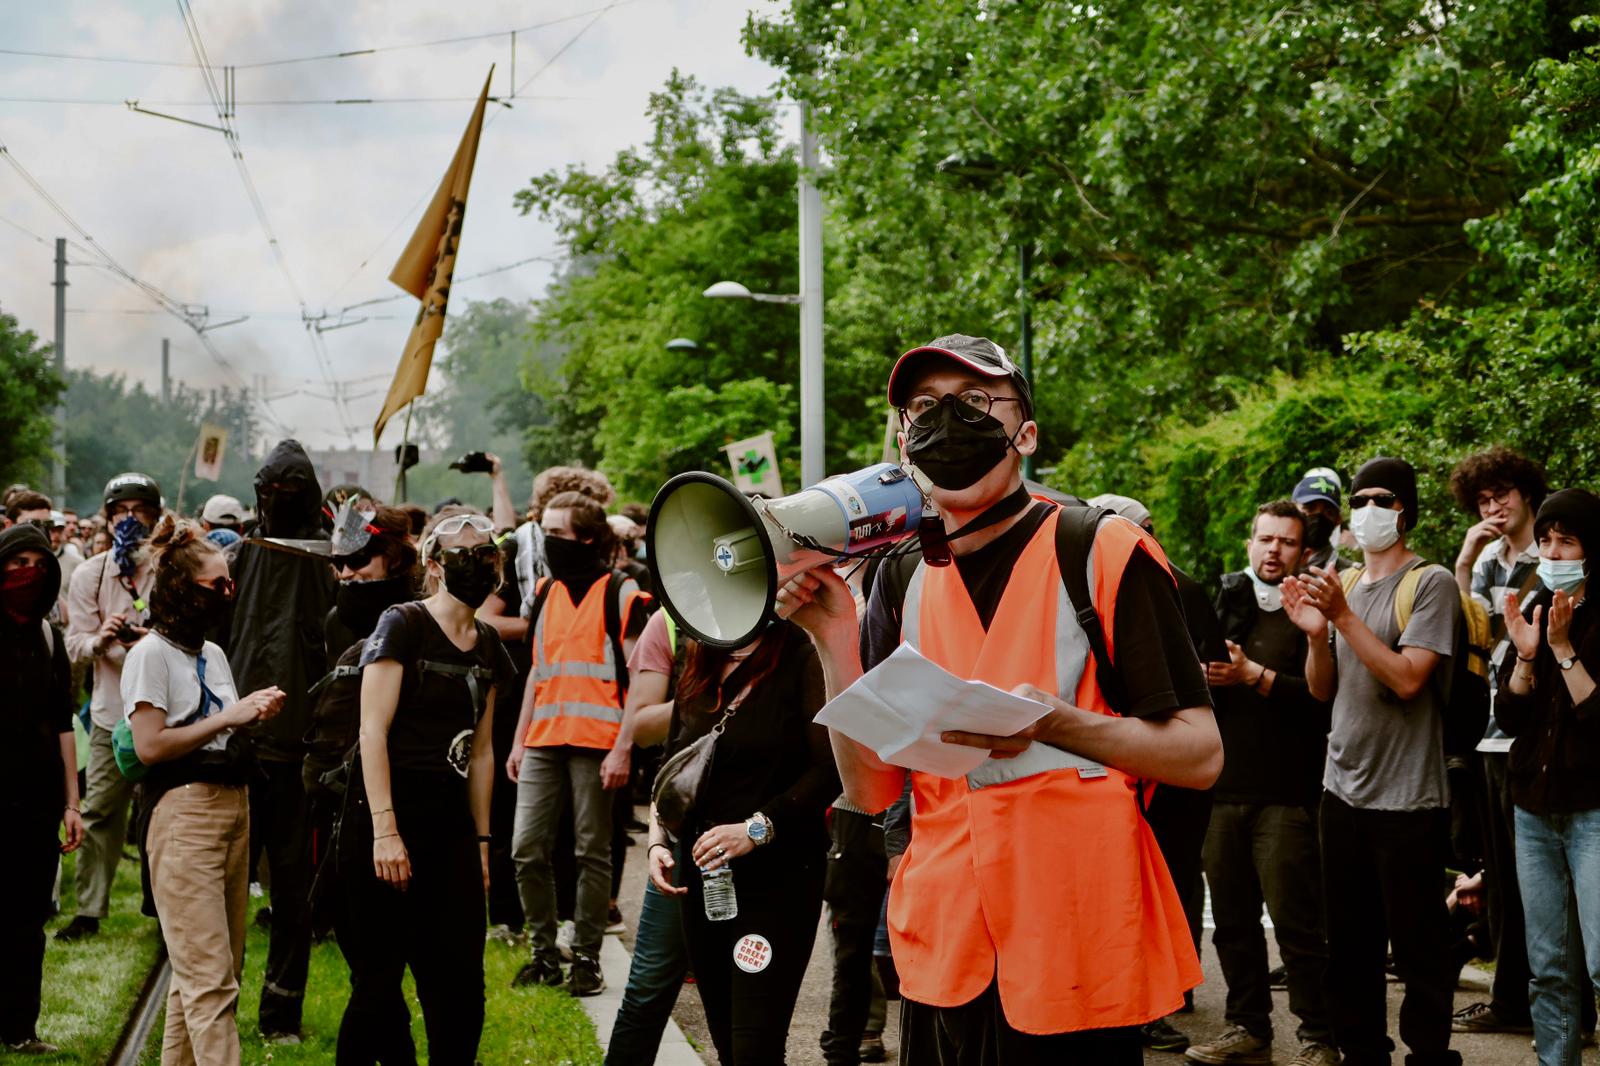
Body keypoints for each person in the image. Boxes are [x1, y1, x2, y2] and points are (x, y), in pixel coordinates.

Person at [783, 334, 1220, 1064]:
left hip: (1075, 946)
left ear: (1027, 432)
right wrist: (832, 635)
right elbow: (869, 788)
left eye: (977, 401)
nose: (946, 421)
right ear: (900, 438)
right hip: (946, 946)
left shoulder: (1101, 548)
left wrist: (1058, 723)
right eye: (923, 406)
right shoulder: (897, 575)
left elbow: (1200, 756)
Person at [1281, 456, 1463, 1066]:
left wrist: (1339, 618)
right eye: (1358, 499)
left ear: (1404, 510)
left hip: (1409, 799)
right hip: (1343, 793)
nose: (1365, 510)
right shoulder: (1349, 582)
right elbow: (1322, 691)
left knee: (1419, 951)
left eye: (1379, 498)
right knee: (1350, 949)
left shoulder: (1430, 582)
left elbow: (1409, 679)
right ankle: (1362, 1053)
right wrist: (1314, 635)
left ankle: (1429, 1057)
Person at [339, 510, 513, 1064]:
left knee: (461, 991)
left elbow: (481, 752)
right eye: (463, 556)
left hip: (450, 828)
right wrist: (385, 832)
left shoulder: (488, 646)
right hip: (387, 816)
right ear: (435, 566)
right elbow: (372, 731)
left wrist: (482, 843)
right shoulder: (402, 624)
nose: (477, 566)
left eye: (485, 555)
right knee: (377, 988)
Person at [124, 516, 286, 1066]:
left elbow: (221, 722)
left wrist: (250, 712)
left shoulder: (212, 654)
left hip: (233, 806)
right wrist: (228, 719)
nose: (226, 594)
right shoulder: (150, 655)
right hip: (183, 813)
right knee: (210, 980)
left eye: (229, 584)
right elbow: (150, 747)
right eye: (216, 585)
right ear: (179, 590)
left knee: (206, 973)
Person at [645, 615, 839, 1065]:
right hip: (705, 880)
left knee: (756, 1043)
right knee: (727, 1041)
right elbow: (675, 764)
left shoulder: (801, 654)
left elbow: (829, 771)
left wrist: (756, 829)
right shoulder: (700, 657)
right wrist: (658, 841)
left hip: (779, 881)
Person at [1187, 500, 1336, 1066]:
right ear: (1249, 543)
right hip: (1221, 790)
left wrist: (1255, 676)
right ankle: (1246, 1027)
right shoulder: (1222, 600)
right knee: (1232, 924)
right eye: (1265, 539)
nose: (1274, 550)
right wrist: (1207, 676)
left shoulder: (1310, 612)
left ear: (1305, 551)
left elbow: (1322, 700)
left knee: (1298, 927)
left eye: (1287, 542)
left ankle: (1318, 1036)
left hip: (1287, 795)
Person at [1088, 492, 1227, 1055]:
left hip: (1171, 763)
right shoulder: (1087, 585)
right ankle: (1141, 993)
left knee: (1173, 877)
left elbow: (1215, 670)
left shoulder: (1182, 588)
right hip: (1115, 765)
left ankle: (1169, 991)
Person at [509, 491, 649, 997]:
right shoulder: (545, 591)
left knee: (592, 850)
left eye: (557, 532)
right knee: (526, 849)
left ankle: (586, 958)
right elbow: (536, 673)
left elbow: (641, 680)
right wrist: (520, 739)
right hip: (545, 737)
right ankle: (544, 954)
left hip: (598, 742)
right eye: (542, 529)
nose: (547, 540)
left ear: (587, 537)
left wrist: (624, 748)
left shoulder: (622, 593)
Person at [223, 439, 337, 1042]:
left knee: (292, 892)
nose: (278, 503)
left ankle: (280, 1014)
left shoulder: (331, 561)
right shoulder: (239, 556)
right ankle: (215, 1006)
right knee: (225, 887)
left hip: (298, 752)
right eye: (272, 492)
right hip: (238, 747)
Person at [1495, 488, 1600, 1066]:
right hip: (1534, 806)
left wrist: (1561, 649)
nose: (1553, 551)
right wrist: (1529, 656)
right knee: (1549, 964)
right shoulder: (1534, 604)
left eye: (1568, 540)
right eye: (1546, 540)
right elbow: (1510, 716)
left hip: (1592, 807)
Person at [1446, 446, 1549, 1036]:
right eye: (1484, 499)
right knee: (1504, 877)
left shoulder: (1553, 555)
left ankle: (1533, 1002)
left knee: (1533, 879)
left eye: (1503, 493)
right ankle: (1514, 998)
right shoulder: (1487, 559)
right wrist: (1463, 562)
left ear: (1526, 491)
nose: (1494, 506)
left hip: (1532, 734)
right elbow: (1471, 635)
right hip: (1490, 735)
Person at [57, 472, 161, 942]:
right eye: (121, 511)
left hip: (164, 712)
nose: (130, 519)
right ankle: (89, 909)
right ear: (107, 515)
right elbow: (73, 642)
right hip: (109, 711)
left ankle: (165, 907)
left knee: (166, 813)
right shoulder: (89, 573)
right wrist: (100, 640)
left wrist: (151, 639)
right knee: (100, 809)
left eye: (139, 510)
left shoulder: (170, 566)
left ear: (155, 516)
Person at [0, 523, 84, 1055]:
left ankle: (20, 1029)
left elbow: (63, 724)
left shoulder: (50, 637)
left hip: (35, 802)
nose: (26, 571)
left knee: (28, 921)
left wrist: (73, 802)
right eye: (15, 561)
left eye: (37, 561)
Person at [602, 607, 688, 1066]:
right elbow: (643, 725)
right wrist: (706, 694)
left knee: (746, 1011)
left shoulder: (796, 605)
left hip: (767, 832)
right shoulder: (670, 621)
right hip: (684, 826)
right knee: (648, 988)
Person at [1293, 472, 1352, 573]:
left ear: (1338, 520)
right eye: (1309, 508)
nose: (1318, 518)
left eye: (1329, 512)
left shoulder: (1347, 575)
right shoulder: (1273, 563)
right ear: (1292, 510)